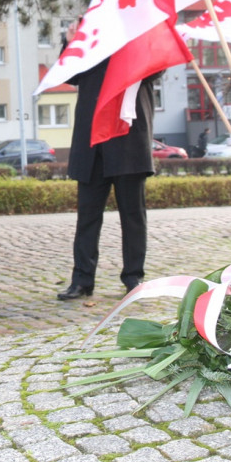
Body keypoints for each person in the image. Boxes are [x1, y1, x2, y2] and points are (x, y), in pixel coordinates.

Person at [57, 20, 159, 300]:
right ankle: (82, 280)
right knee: (87, 218)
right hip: (92, 146)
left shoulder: (138, 42)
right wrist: (71, 42)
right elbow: (69, 73)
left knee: (133, 216)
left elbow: (157, 67)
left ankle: (133, 277)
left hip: (129, 143)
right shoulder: (91, 45)